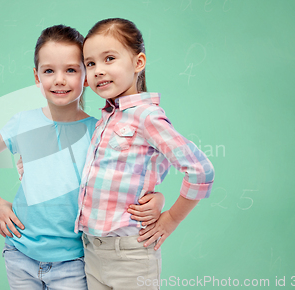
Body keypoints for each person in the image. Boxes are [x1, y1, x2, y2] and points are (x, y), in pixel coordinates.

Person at [0, 24, 164, 290]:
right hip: (19, 254)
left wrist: (157, 198)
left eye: (71, 70)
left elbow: (127, 180)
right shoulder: (22, 122)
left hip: (75, 261)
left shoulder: (100, 131)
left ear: (86, 76)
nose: (59, 79)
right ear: (37, 76)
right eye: (49, 70)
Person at [75, 18, 215, 290]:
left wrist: (171, 217)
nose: (98, 71)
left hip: (131, 254)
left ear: (138, 62)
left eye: (109, 58)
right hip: (92, 251)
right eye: (90, 63)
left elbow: (201, 170)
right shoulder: (106, 119)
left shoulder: (146, 116)